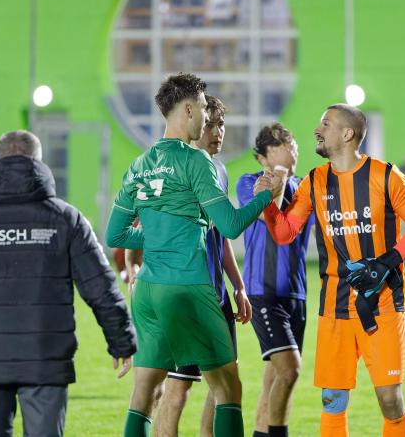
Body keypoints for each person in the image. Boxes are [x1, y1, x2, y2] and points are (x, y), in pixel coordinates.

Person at [0, 130, 137, 437]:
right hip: (46, 362)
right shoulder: (67, 219)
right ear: (38, 163)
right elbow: (100, 287)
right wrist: (121, 340)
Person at [105, 73, 281, 437]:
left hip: (148, 292)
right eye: (203, 109)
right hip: (188, 287)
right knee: (228, 388)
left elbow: (115, 235)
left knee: (143, 396)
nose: (205, 117)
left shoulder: (138, 165)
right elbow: (230, 226)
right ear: (187, 109)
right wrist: (265, 195)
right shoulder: (196, 162)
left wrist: (158, 235)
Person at [255, 104, 405, 437]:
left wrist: (383, 264)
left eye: (325, 124)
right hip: (334, 307)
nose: (317, 130)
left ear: (347, 134)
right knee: (333, 399)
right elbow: (283, 232)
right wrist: (267, 203)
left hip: (382, 305)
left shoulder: (385, 175)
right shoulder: (314, 181)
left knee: (390, 399)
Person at [138, 95, 253, 437]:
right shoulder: (178, 169)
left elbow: (220, 235)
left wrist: (238, 285)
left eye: (222, 125)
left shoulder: (218, 170)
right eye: (213, 123)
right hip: (185, 293)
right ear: (197, 124)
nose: (218, 131)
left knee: (226, 383)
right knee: (178, 389)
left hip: (215, 296)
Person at [236, 122, 313, 437]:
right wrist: (278, 175)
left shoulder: (306, 186)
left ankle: (261, 433)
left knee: (276, 378)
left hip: (296, 294)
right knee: (289, 369)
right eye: (284, 145)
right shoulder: (248, 182)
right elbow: (269, 207)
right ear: (262, 156)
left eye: (294, 145)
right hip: (263, 292)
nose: (293, 150)